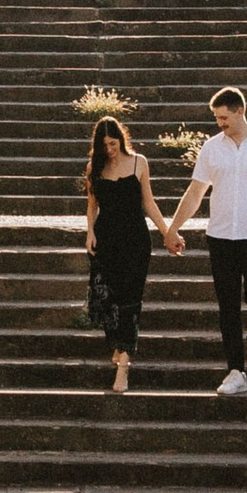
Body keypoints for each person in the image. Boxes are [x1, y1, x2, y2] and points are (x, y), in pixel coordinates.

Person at [163, 85, 247, 395]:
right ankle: (235, 370)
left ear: (240, 111)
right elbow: (195, 192)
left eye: (224, 117)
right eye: (216, 118)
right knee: (228, 305)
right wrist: (173, 228)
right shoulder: (212, 148)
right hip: (221, 236)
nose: (220, 123)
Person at [81, 114, 169, 394]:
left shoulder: (139, 162)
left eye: (113, 142)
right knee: (107, 299)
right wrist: (90, 232)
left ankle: (123, 366)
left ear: (121, 138)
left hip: (135, 241)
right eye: (104, 144)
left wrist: (168, 232)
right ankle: (118, 344)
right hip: (106, 240)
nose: (110, 148)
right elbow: (92, 206)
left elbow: (149, 202)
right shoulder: (94, 167)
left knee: (130, 302)